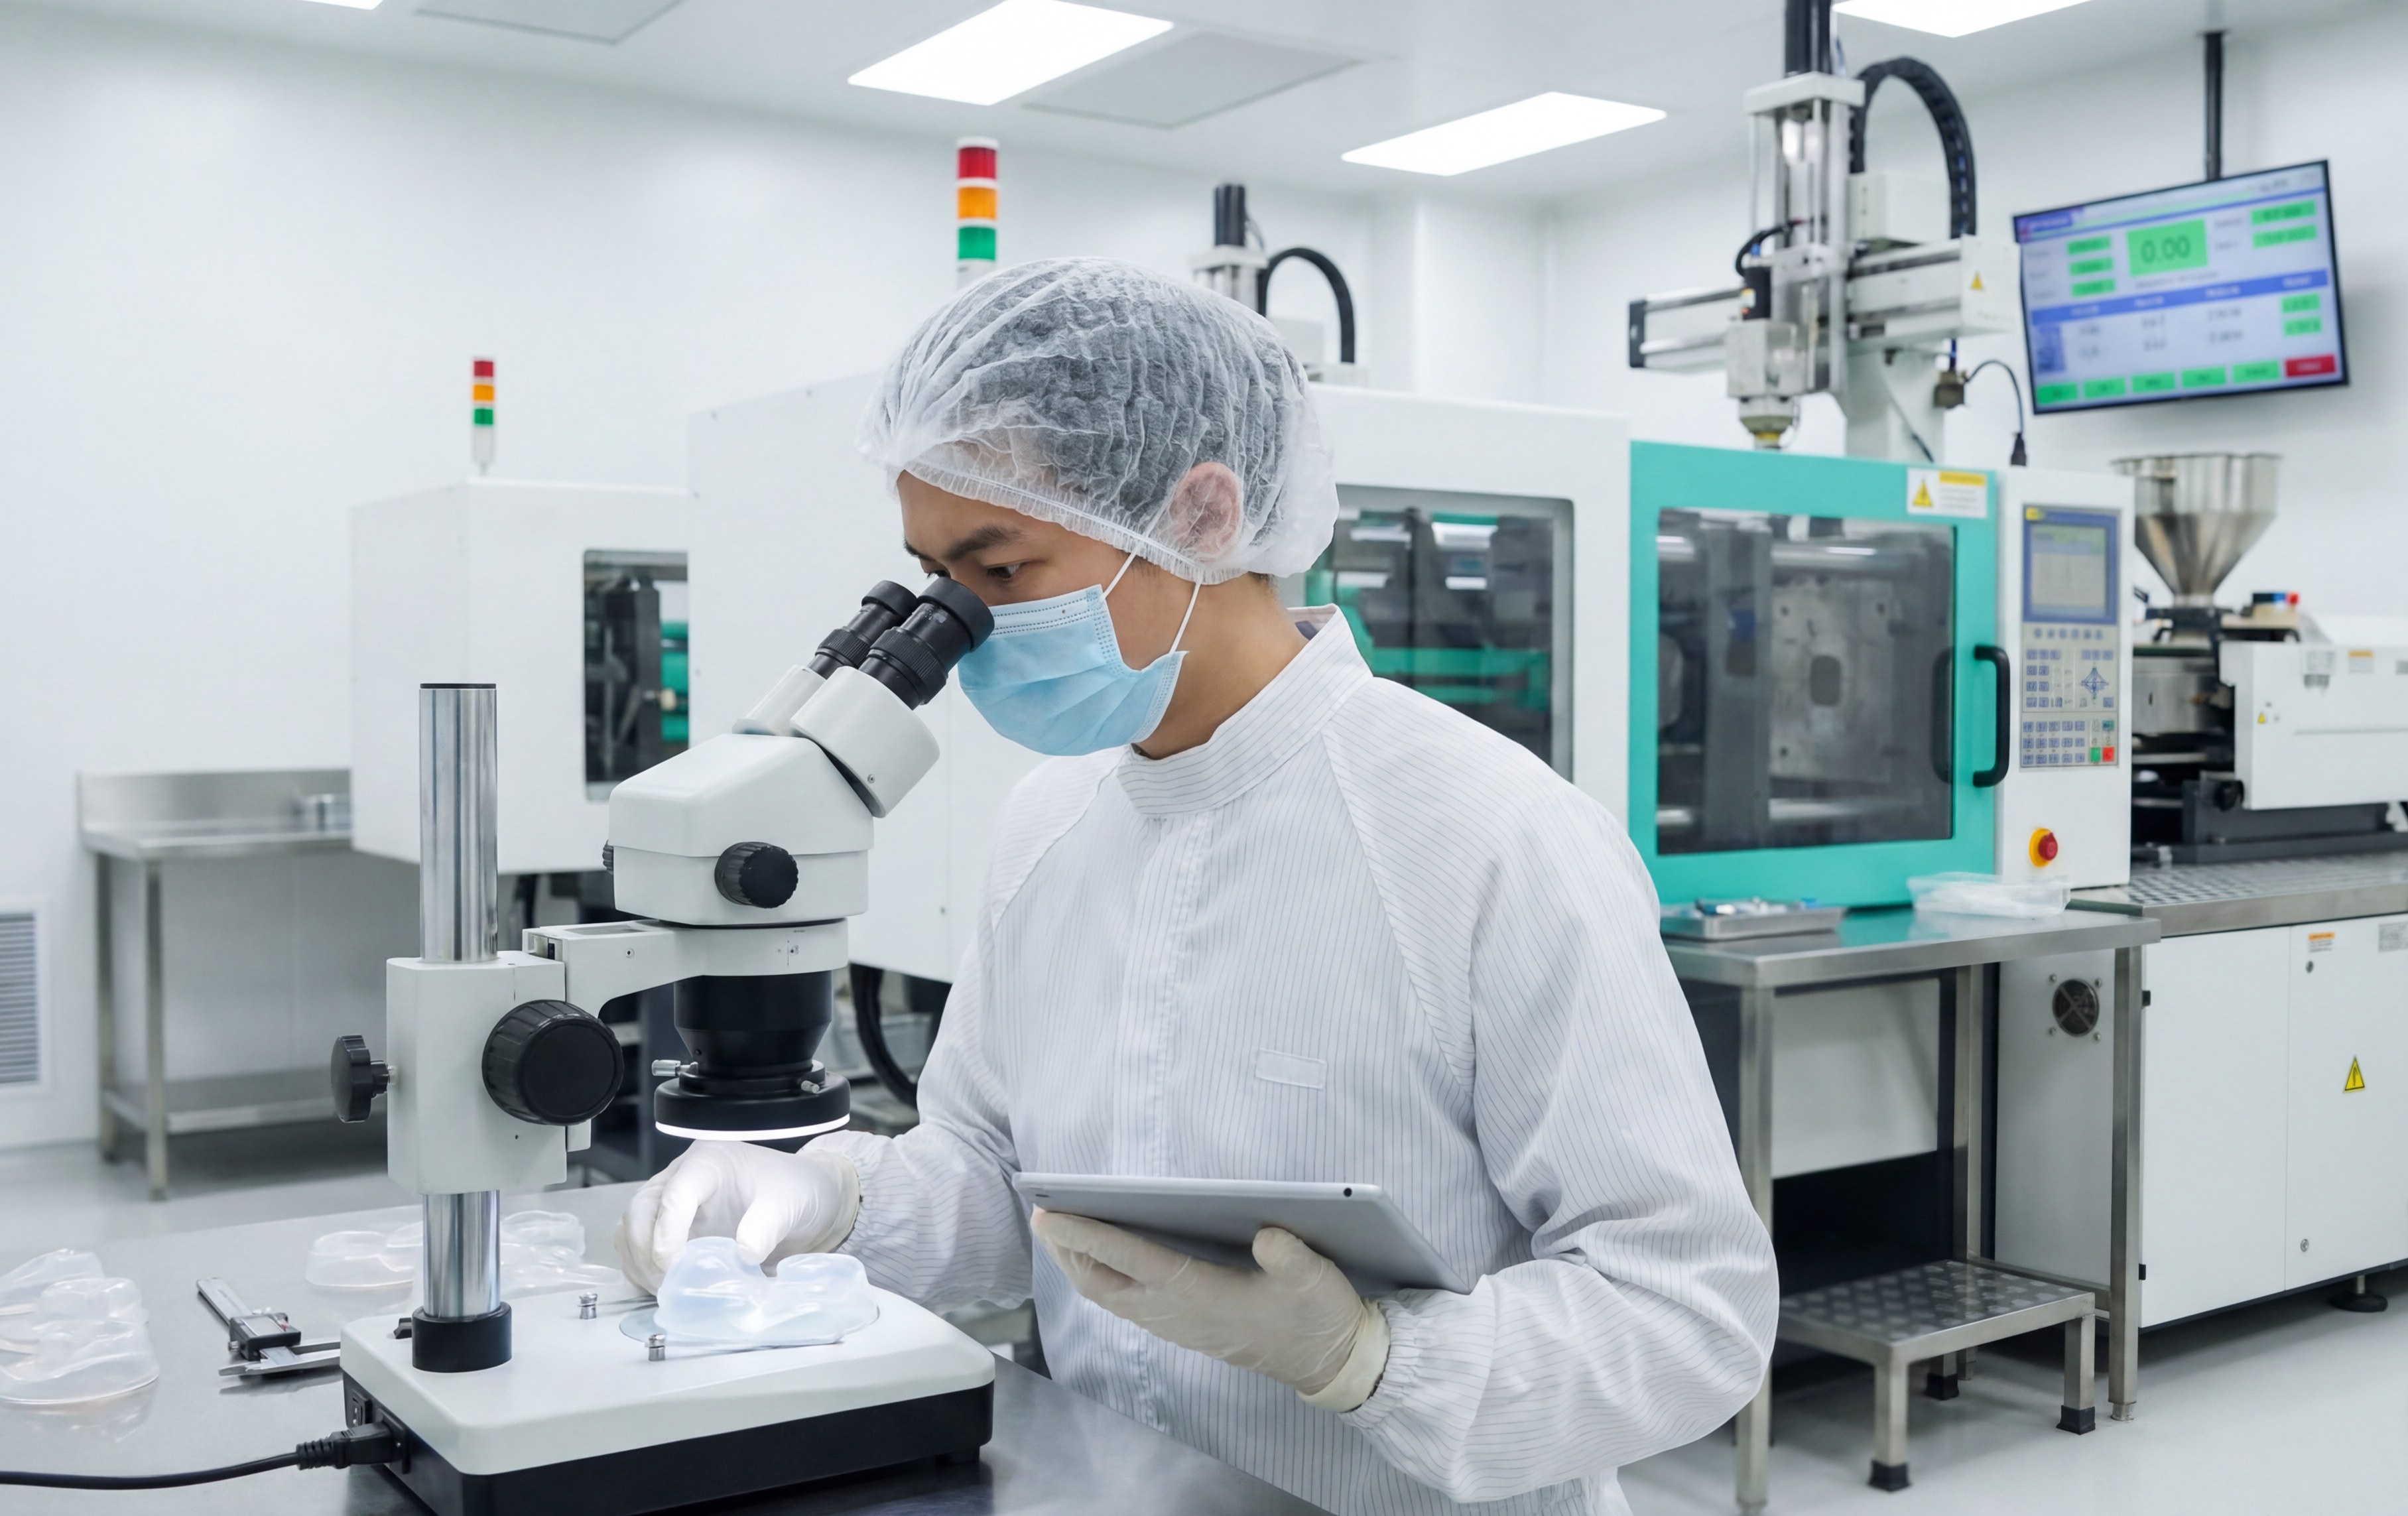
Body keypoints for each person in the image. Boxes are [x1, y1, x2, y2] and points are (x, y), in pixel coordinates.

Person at [616, 257, 1775, 1515]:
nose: (966, 627)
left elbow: (1686, 1310)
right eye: (937, 577)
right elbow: (1005, 1185)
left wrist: (1370, 1360)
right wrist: (829, 1197)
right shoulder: (1049, 824)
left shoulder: (1491, 835)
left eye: (1002, 572)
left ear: (1207, 516)